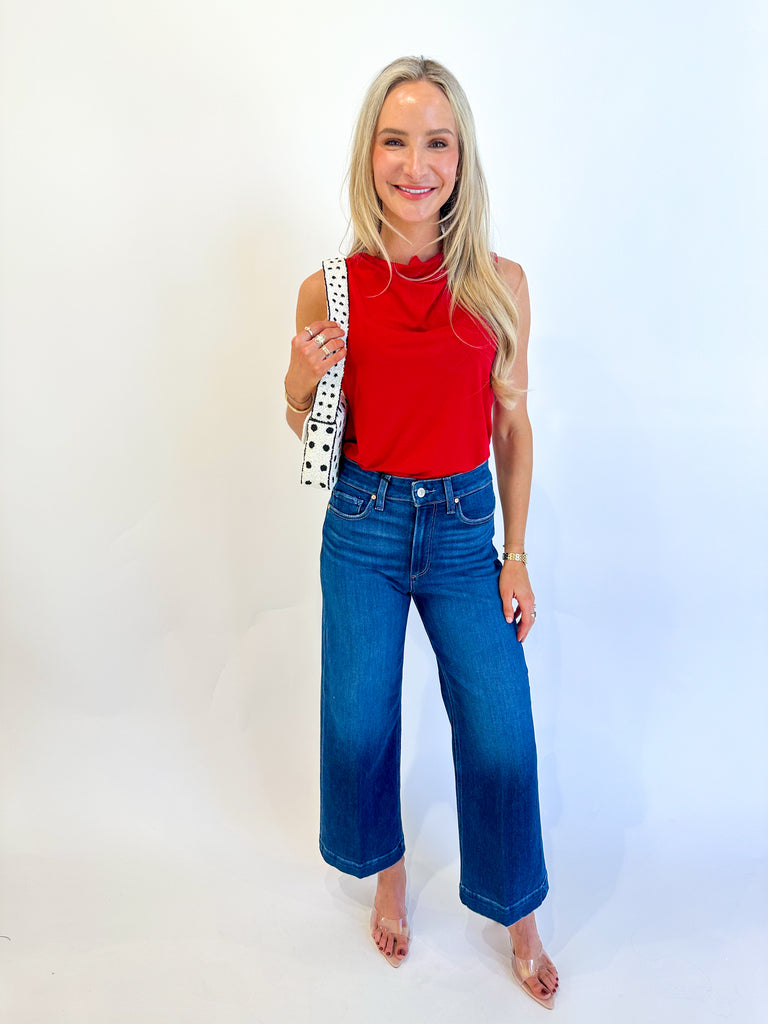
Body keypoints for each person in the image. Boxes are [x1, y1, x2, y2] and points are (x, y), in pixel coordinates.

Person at [283, 56, 559, 1010]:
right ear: (369, 155)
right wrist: (297, 380)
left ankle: (519, 913)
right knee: (359, 719)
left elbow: (512, 425)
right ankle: (388, 871)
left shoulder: (500, 283)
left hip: (463, 532)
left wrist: (514, 555)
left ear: (461, 158)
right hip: (362, 524)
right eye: (394, 141)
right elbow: (307, 422)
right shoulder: (330, 289)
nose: (415, 164)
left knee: (500, 727)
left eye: (436, 143)